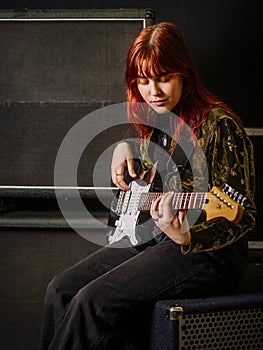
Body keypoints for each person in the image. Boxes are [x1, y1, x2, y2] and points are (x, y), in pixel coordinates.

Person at [40, 22, 256, 350]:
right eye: (143, 81)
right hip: (154, 238)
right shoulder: (157, 123)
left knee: (91, 303)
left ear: (184, 73)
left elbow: (245, 214)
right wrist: (123, 150)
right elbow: (147, 187)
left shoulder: (220, 126)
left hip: (207, 255)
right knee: (60, 289)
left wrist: (188, 235)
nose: (152, 91)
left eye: (163, 78)